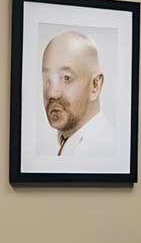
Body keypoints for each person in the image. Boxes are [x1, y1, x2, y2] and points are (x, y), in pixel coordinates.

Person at [41, 30, 117, 163]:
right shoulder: (65, 143)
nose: (52, 93)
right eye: (47, 79)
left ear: (95, 86)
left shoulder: (101, 153)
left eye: (66, 78)